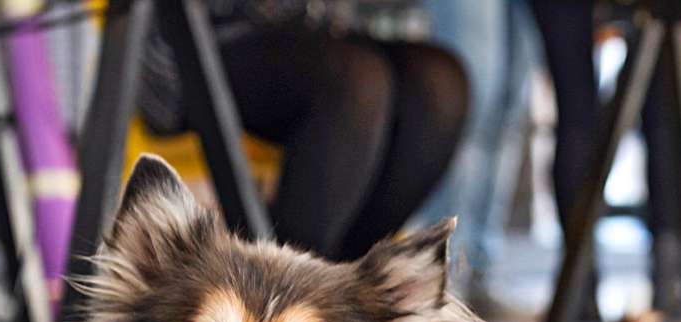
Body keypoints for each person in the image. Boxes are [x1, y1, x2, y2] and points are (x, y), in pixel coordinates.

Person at [138, 3, 468, 261]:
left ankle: (339, 283)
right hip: (194, 38)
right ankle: (288, 291)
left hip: (312, 33)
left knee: (440, 85)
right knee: (354, 82)